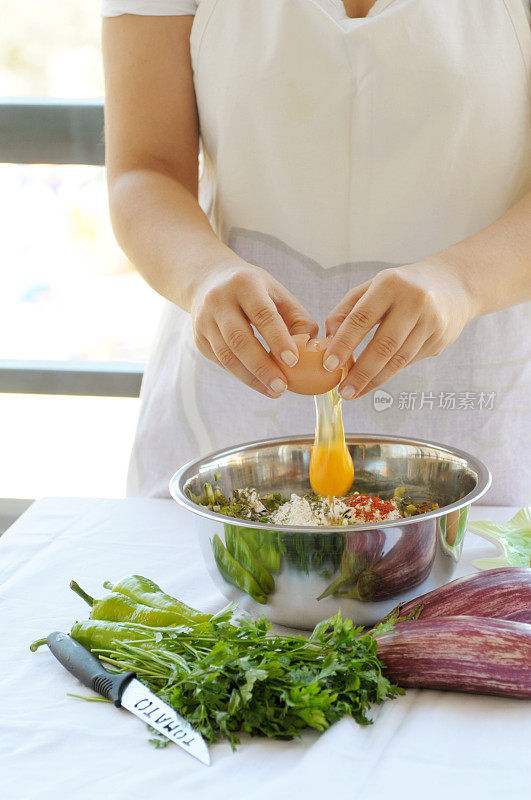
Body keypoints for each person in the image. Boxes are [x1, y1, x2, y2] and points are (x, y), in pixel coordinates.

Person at [101, 0, 531, 504]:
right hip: (226, 415)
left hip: (482, 406)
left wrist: (461, 284)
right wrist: (202, 276)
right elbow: (144, 169)